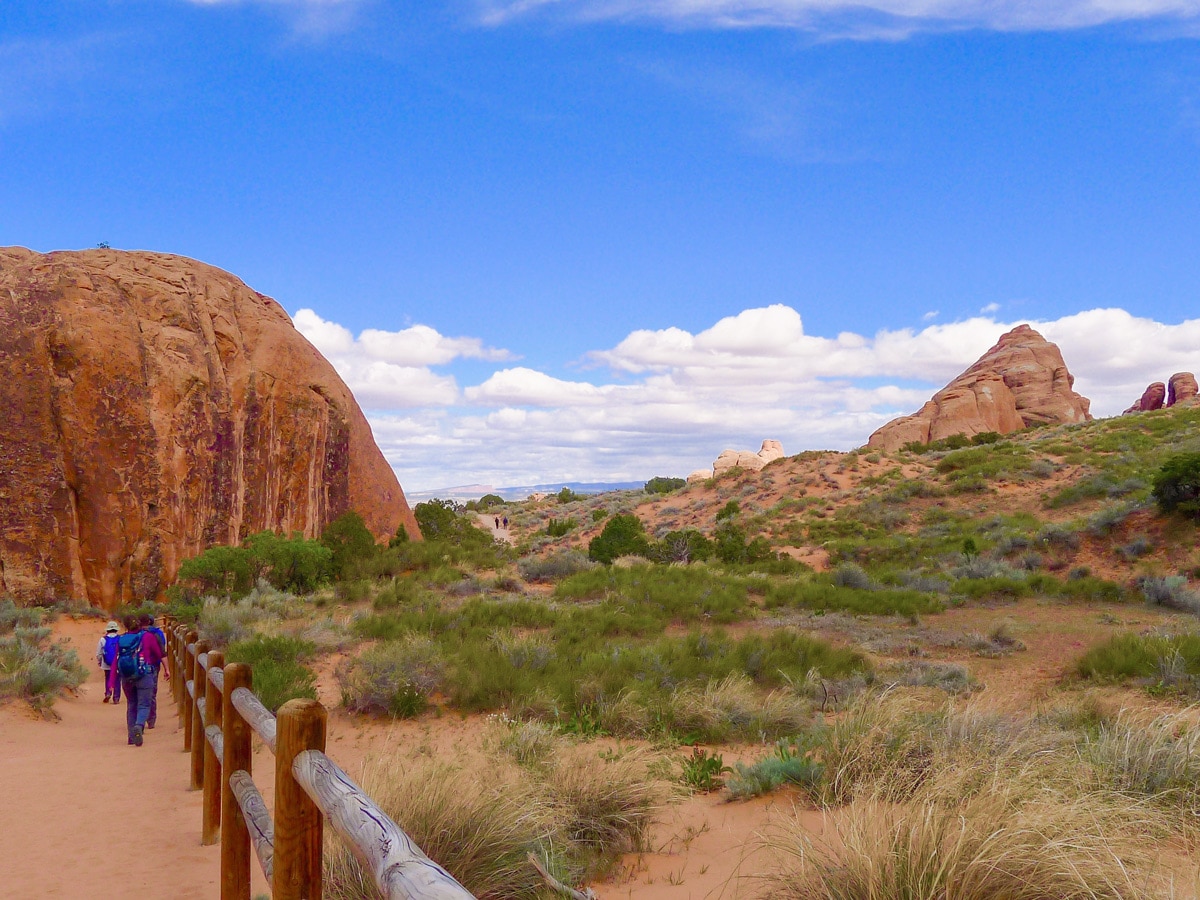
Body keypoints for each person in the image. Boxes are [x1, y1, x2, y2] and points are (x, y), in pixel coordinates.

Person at [116, 616, 169, 747]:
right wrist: (166, 669)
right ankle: (139, 726)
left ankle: (130, 736)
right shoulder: (149, 636)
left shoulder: (121, 639)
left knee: (131, 704)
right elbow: (159, 654)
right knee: (144, 704)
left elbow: (115, 661)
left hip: (126, 676)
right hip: (144, 674)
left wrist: (112, 682)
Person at [139, 613, 168, 729]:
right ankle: (151, 719)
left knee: (139, 694)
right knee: (152, 692)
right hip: (154, 666)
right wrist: (167, 668)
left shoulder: (137, 633)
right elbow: (162, 651)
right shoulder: (157, 633)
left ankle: (139, 720)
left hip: (139, 666)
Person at [95, 620, 121, 703]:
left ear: (107, 630)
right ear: (116, 629)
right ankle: (116, 697)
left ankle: (108, 693)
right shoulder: (120, 638)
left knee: (108, 678)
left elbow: (99, 653)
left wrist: (100, 661)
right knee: (117, 679)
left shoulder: (103, 639)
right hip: (117, 663)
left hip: (106, 663)